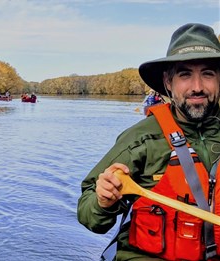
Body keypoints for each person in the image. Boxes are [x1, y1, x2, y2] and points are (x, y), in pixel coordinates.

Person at [77, 23, 220, 260]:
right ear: (168, 82)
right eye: (185, 74)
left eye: (208, 74)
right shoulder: (140, 139)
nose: (197, 87)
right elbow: (89, 217)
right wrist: (103, 200)